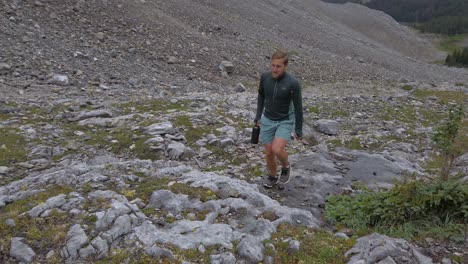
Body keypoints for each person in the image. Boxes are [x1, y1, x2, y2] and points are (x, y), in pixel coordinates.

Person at [254, 50, 303, 189]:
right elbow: (261, 96)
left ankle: (286, 166)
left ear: (285, 66)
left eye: (278, 66)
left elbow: (299, 107)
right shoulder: (265, 77)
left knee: (276, 149)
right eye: (273, 65)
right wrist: (258, 116)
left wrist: (298, 129)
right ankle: (273, 176)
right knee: (269, 152)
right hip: (268, 119)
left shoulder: (293, 83)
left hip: (285, 120)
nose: (274, 69)